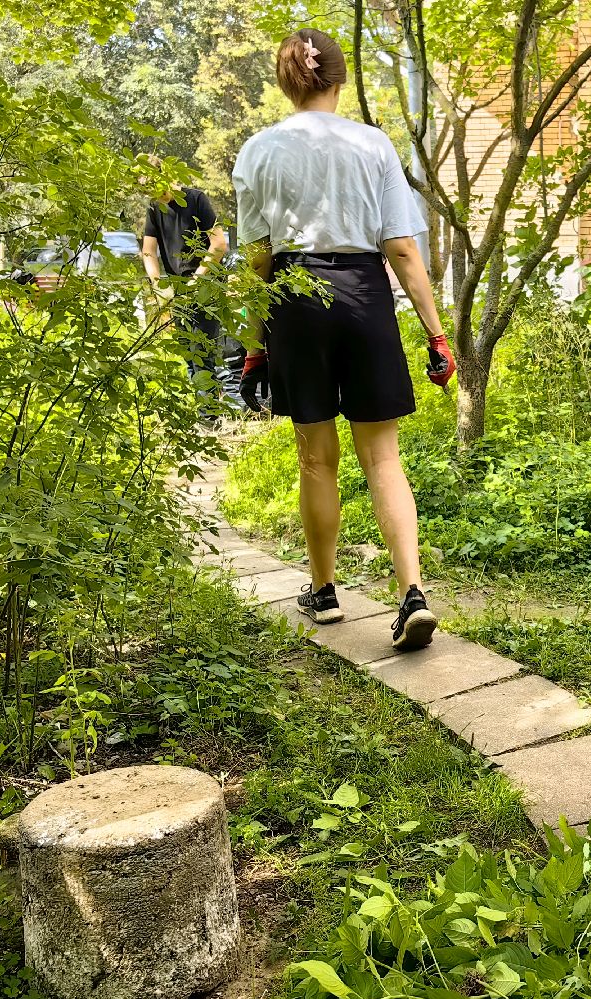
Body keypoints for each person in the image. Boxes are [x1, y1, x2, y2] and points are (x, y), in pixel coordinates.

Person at [231, 28, 453, 651]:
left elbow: (257, 260)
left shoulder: (257, 151)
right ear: (339, 79)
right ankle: (412, 592)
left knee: (315, 457)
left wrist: (254, 346)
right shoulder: (373, 144)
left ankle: (324, 592)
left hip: (294, 298)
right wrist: (437, 337)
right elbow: (403, 251)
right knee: (384, 458)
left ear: (285, 82)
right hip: (363, 293)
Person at [140, 172, 233, 404]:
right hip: (177, 289)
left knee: (201, 354)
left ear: (167, 175)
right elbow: (149, 250)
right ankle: (207, 410)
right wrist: (158, 284)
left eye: (156, 186)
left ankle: (209, 418)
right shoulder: (154, 208)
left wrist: (197, 280)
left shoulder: (196, 199)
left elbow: (219, 244)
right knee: (188, 354)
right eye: (147, 190)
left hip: (206, 284)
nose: (155, 194)